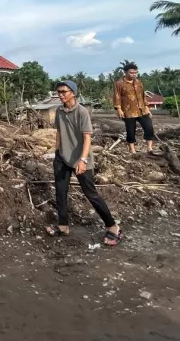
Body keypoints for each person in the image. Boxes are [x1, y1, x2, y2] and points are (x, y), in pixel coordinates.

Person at [45, 80, 123, 246]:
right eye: (58, 91)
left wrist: (83, 159)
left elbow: (87, 137)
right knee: (60, 192)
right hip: (62, 158)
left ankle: (113, 226)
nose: (60, 94)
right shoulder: (59, 111)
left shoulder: (82, 112)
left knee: (91, 194)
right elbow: (59, 132)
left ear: (73, 92)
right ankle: (63, 225)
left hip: (81, 159)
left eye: (64, 91)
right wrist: (56, 151)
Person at [113, 63, 154, 153]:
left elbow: (143, 96)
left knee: (149, 127)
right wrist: (119, 109)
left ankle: (149, 148)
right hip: (128, 111)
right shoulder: (119, 84)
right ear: (125, 72)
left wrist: (147, 108)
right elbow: (117, 96)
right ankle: (132, 149)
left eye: (135, 73)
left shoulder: (139, 83)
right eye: (131, 73)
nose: (134, 74)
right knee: (130, 130)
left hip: (142, 110)